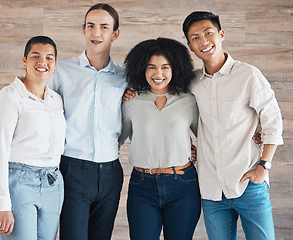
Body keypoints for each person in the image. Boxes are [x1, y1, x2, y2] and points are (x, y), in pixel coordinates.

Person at [182, 11, 284, 240]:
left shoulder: (248, 75)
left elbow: (273, 122)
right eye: (195, 37)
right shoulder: (191, 83)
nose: (204, 41)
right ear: (190, 45)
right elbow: (170, 110)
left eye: (209, 33)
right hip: (211, 190)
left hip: (249, 184)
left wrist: (263, 166)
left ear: (221, 34)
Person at [47, 3, 127, 240]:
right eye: (91, 26)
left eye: (104, 27)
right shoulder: (61, 71)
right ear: (84, 30)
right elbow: (37, 106)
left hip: (112, 171)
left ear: (115, 34)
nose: (96, 32)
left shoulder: (125, 77)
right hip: (73, 169)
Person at [119, 37, 201, 240]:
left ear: (176, 68)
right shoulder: (131, 101)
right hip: (142, 185)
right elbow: (116, 138)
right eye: (151, 67)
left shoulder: (189, 101)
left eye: (165, 67)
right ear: (141, 69)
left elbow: (208, 137)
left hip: (183, 184)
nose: (158, 74)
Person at [0, 36, 66, 240]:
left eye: (49, 57)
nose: (42, 62)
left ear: (55, 65)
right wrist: (2, 203)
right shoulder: (9, 98)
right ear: (24, 61)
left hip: (52, 182)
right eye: (35, 56)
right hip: (18, 181)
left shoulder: (56, 100)